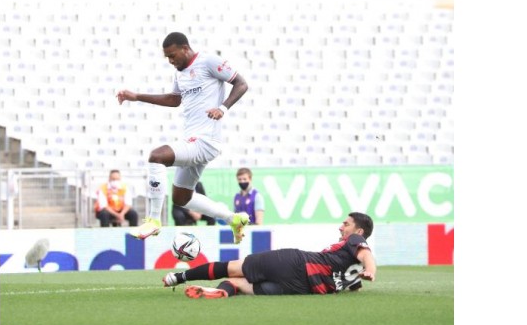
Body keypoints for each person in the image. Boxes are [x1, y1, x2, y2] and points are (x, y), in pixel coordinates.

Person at [116, 32, 250, 243]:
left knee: (157, 156)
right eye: (167, 57)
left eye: (172, 55)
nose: (170, 61)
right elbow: (174, 99)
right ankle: (233, 219)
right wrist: (137, 97)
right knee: (181, 198)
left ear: (185, 49)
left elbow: (241, 83)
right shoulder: (180, 73)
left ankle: (153, 220)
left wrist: (223, 108)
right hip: (193, 141)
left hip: (206, 140)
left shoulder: (209, 61)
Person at [162, 212, 376, 299]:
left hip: (293, 263)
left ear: (358, 232)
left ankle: (179, 277)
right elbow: (355, 282)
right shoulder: (354, 277)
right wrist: (362, 276)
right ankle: (218, 293)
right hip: (300, 288)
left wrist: (371, 270)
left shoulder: (354, 240)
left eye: (346, 224)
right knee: (235, 284)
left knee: (231, 267)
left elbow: (366, 255)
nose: (341, 227)